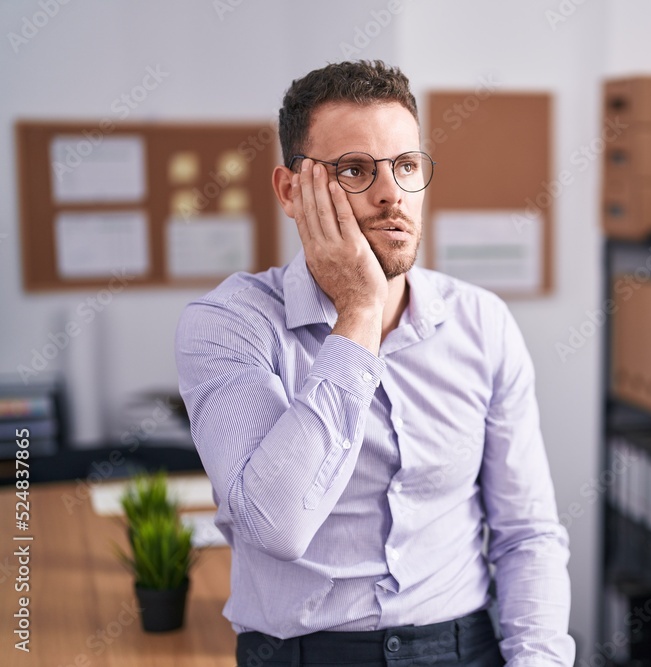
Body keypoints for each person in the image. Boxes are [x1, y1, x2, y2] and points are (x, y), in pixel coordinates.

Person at [174, 60, 573, 666]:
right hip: (302, 654)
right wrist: (358, 312)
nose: (391, 194)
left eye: (406, 166)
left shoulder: (482, 323)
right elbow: (276, 525)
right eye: (355, 170)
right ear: (290, 191)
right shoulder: (231, 325)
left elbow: (528, 534)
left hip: (464, 647)